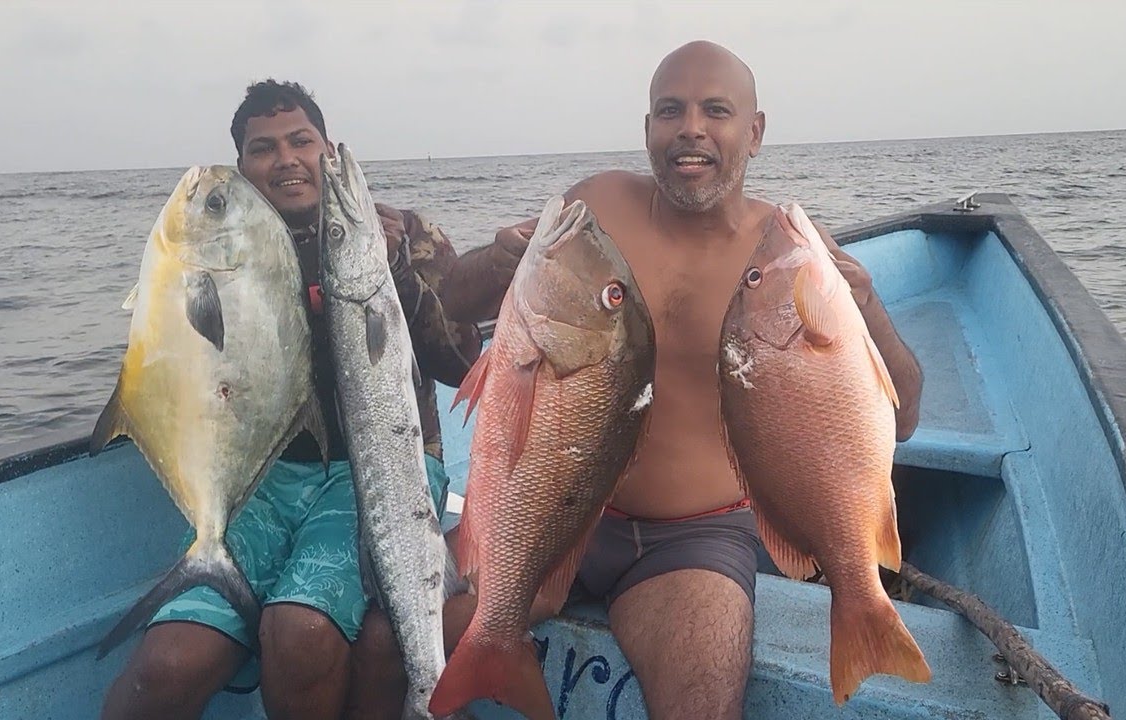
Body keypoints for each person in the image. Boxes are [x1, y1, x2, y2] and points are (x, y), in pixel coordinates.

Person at [429, 40, 925, 719]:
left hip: (692, 540)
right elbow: (452, 308)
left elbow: (902, 417)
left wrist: (866, 307)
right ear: (648, 130)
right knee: (397, 623)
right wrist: (494, 264)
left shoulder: (788, 262)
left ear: (754, 132)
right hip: (552, 510)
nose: (691, 127)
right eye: (671, 111)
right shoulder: (589, 212)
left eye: (715, 110)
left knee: (702, 697)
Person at [101, 79, 505, 720]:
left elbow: (459, 367)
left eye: (302, 141)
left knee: (302, 632)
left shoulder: (400, 235)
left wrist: (399, 270)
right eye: (264, 148)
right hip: (263, 477)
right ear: (242, 168)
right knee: (169, 663)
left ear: (326, 146)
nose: (286, 158)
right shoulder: (220, 253)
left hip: (385, 473)